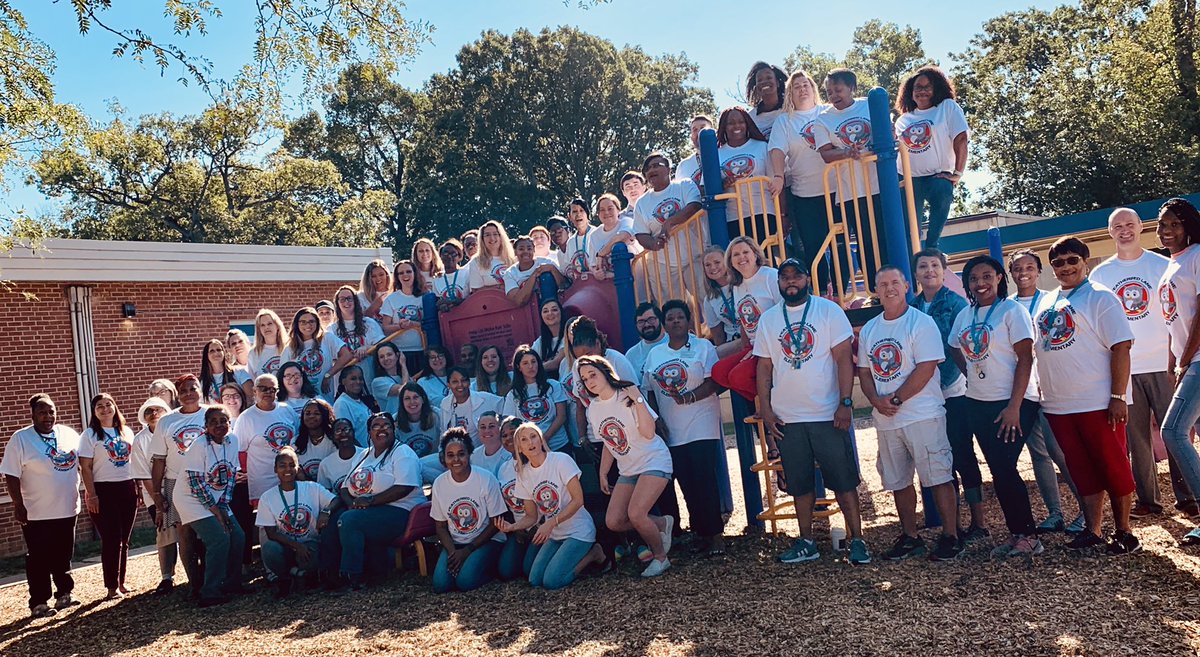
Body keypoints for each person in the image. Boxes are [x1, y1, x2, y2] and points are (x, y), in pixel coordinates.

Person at [753, 259, 869, 564]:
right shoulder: (769, 319)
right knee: (799, 483)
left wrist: (845, 402)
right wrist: (766, 408)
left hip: (826, 413)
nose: (791, 281)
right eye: (785, 277)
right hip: (787, 417)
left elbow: (843, 359)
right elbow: (764, 366)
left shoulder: (828, 311)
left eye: (797, 276)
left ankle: (858, 539)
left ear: (807, 278)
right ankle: (806, 541)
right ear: (778, 282)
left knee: (843, 480)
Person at [1033, 236, 1139, 553]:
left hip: (1096, 401)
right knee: (1081, 470)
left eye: (1072, 260)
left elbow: (1121, 346)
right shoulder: (1047, 302)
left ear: (1085, 261)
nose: (1065, 267)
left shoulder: (1100, 297)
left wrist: (1118, 396)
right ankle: (1093, 529)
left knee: (1113, 466)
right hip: (1058, 405)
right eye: (1058, 262)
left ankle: (1124, 532)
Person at [1093, 207, 1196, 519]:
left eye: (1130, 224)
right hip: (1126, 368)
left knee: (1176, 432)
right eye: (1117, 226)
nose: (1124, 230)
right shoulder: (1101, 275)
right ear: (1110, 232)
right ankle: (1148, 500)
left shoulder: (1164, 264)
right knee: (1136, 439)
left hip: (1165, 363)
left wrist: (1178, 360)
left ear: (1141, 227)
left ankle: (1188, 497)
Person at [858, 266, 962, 561]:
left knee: (938, 476)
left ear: (906, 286)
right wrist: (876, 401)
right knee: (898, 481)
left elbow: (926, 367)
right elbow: (864, 371)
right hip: (887, 419)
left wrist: (895, 399)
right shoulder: (870, 329)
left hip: (922, 414)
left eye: (895, 282)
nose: (889, 288)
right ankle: (910, 535)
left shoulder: (921, 322)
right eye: (882, 284)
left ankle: (951, 536)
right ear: (875, 290)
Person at [949, 256, 1043, 558]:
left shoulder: (1012, 311)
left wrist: (1014, 406)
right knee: (999, 470)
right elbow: (954, 346)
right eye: (973, 278)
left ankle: (1029, 535)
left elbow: (1025, 358)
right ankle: (1017, 534)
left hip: (1014, 402)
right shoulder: (965, 314)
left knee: (1004, 466)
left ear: (1000, 278)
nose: (980, 283)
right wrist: (971, 374)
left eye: (987, 276)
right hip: (978, 402)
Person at [1008, 249, 1086, 533]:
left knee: (1059, 451)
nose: (1023, 273)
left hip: (1051, 386)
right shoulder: (1006, 306)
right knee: (1038, 453)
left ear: (1039, 271)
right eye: (1017, 268)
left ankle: (1086, 510)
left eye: (1029, 267)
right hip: (1025, 391)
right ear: (1011, 273)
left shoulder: (1052, 301)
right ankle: (1055, 513)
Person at [912, 248, 986, 541]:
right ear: (916, 274)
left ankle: (979, 522)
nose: (929, 271)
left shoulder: (957, 304)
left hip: (954, 389)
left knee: (963, 454)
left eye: (934, 265)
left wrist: (951, 377)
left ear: (944, 271)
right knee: (939, 458)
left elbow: (961, 345)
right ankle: (952, 524)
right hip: (925, 393)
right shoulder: (912, 307)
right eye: (923, 266)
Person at [643, 299, 726, 555]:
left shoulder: (703, 347)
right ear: (664, 324)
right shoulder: (655, 354)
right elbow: (649, 390)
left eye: (680, 317)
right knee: (687, 484)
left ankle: (715, 535)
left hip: (702, 426)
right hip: (672, 431)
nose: (675, 321)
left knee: (705, 480)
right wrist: (656, 419)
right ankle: (700, 533)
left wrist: (690, 397)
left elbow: (715, 382)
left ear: (689, 320)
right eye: (670, 318)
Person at [578, 355, 675, 577]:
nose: (589, 381)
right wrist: (603, 473)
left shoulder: (627, 395)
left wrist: (638, 400)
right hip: (628, 469)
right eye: (584, 379)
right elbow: (608, 442)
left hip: (653, 460)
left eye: (593, 374)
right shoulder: (593, 409)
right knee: (614, 521)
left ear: (606, 372)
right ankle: (661, 524)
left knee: (637, 514)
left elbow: (649, 433)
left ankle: (661, 558)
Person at [494, 423, 605, 589]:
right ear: (519, 448)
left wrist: (551, 523)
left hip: (578, 531)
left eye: (533, 436)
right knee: (534, 580)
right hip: (555, 534)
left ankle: (593, 554)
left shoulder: (561, 460)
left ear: (541, 439)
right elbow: (531, 516)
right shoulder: (523, 474)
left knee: (552, 581)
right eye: (524, 440)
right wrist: (512, 527)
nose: (530, 442)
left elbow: (578, 501)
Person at [2, 394, 82, 617]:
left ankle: (64, 594)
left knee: (63, 554)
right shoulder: (21, 439)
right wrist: (18, 504)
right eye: (42, 412)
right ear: (33, 415)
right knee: (38, 558)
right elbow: (11, 474)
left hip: (67, 507)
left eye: (51, 411)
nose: (48, 416)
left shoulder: (68, 434)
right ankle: (39, 602)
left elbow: (84, 463)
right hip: (36, 512)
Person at [768, 69, 843, 292]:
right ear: (790, 93)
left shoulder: (827, 112)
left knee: (840, 244)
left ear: (813, 89)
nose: (802, 89)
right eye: (796, 86)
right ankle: (821, 292)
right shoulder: (785, 121)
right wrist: (778, 176)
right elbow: (777, 150)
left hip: (837, 189)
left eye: (806, 85)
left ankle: (841, 291)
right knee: (813, 247)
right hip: (805, 194)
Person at [815, 68, 888, 288]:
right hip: (851, 191)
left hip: (879, 184)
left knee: (887, 236)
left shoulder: (869, 105)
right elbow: (826, 154)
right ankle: (874, 288)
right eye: (829, 92)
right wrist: (847, 152)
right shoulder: (823, 119)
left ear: (852, 88)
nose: (833, 96)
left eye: (838, 90)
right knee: (865, 242)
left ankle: (899, 284)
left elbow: (886, 133)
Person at [336, 413, 425, 590]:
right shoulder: (364, 455)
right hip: (368, 511)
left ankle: (353, 576)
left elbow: (404, 487)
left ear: (394, 430)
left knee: (349, 520)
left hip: (400, 511)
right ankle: (329, 574)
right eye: (376, 426)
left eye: (387, 426)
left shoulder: (402, 452)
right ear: (369, 432)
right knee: (336, 519)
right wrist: (351, 504)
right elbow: (344, 487)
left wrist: (370, 501)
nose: (382, 429)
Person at [1157, 198, 1200, 544]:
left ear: (1188, 227)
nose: (1167, 230)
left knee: (1172, 431)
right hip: (1186, 360)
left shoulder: (1197, 255)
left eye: (1175, 224)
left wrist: (1185, 359)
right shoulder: (1172, 263)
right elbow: (1174, 320)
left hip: (1198, 360)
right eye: (1162, 225)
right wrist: (1172, 362)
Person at [173, 406, 244, 607]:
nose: (219, 425)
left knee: (238, 536)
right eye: (213, 422)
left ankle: (232, 583)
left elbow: (231, 475)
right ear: (206, 426)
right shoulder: (199, 445)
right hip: (191, 499)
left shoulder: (232, 441)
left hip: (217, 498)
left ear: (229, 423)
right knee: (219, 539)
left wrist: (223, 505)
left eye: (223, 421)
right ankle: (210, 591)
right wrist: (215, 510)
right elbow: (195, 481)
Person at [894, 66, 969, 249]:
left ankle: (932, 246)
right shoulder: (903, 120)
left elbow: (961, 138)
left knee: (943, 192)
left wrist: (957, 173)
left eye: (927, 87)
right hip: (909, 178)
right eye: (917, 87)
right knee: (909, 229)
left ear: (936, 89)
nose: (922, 91)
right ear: (910, 92)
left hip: (937, 174)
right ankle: (913, 258)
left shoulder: (947, 107)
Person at [149, 375, 207, 598]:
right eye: (183, 390)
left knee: (210, 531)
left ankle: (211, 578)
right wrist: (157, 492)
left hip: (207, 479)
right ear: (177, 395)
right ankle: (195, 583)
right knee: (185, 533)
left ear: (200, 390)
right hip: (176, 482)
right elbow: (159, 460)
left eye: (193, 388)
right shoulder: (167, 421)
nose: (189, 394)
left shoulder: (211, 413)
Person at [430, 428, 507, 593]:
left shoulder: (486, 479)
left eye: (461, 454)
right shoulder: (439, 484)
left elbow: (496, 522)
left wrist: (468, 550)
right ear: (444, 458)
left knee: (466, 582)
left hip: (486, 540)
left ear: (469, 454)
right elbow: (440, 526)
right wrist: (453, 553)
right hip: (456, 543)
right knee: (441, 585)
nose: (456, 460)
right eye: (450, 455)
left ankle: (489, 568)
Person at [78, 393, 138, 599]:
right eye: (99, 407)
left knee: (124, 539)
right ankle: (111, 586)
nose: (105, 409)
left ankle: (121, 582)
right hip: (103, 490)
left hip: (127, 487)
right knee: (111, 539)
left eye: (108, 404)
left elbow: (133, 461)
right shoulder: (89, 435)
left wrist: (138, 488)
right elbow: (85, 467)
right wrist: (92, 494)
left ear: (115, 407)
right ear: (94, 412)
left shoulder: (126, 431)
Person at [255, 446, 335, 598]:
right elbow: (271, 533)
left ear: (298, 468)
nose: (288, 469)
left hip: (310, 543)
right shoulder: (267, 497)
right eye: (282, 465)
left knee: (309, 558)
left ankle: (304, 576)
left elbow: (335, 500)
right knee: (269, 549)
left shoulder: (311, 488)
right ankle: (286, 578)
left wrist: (326, 512)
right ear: (275, 469)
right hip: (285, 546)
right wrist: (297, 546)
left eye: (292, 465)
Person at [711, 236, 780, 404]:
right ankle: (765, 398)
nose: (741, 257)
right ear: (730, 261)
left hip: (772, 344)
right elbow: (743, 322)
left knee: (738, 376)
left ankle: (770, 401)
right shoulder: (737, 285)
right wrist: (746, 348)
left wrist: (762, 347)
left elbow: (784, 313)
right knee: (718, 372)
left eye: (745, 252)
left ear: (755, 254)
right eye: (736, 255)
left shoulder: (771, 276)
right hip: (753, 344)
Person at [632, 152, 705, 302]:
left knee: (707, 300)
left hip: (695, 256)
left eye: (656, 166)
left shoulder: (684, 185)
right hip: (663, 263)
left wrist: (670, 222)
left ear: (668, 169)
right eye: (647, 169)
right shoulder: (641, 202)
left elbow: (695, 205)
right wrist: (653, 244)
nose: (651, 170)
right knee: (672, 308)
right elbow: (640, 234)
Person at [561, 316, 639, 448]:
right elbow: (580, 406)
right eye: (580, 358)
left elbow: (636, 397)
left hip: (625, 434)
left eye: (589, 354)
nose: (585, 361)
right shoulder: (577, 367)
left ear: (597, 343)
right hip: (596, 437)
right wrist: (582, 437)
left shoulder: (616, 359)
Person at [130, 396, 177, 594]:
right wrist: (159, 503)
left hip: (178, 489)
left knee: (187, 532)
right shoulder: (140, 440)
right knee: (165, 534)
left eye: (158, 409)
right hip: (154, 494)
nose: (154, 413)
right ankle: (167, 577)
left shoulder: (174, 431)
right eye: (149, 411)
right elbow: (143, 474)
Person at [232, 374, 300, 503]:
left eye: (272, 389)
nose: (268, 392)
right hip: (262, 482)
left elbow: (298, 436)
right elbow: (239, 451)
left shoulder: (287, 410)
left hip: (289, 477)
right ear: (254, 391)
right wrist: (245, 473)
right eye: (263, 388)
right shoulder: (246, 418)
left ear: (277, 391)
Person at [717, 106, 773, 239]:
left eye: (741, 122)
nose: (736, 126)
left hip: (763, 212)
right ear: (724, 127)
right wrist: (723, 185)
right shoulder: (716, 154)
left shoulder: (762, 146)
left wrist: (783, 215)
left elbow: (776, 181)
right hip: (733, 217)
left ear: (747, 124)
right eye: (731, 123)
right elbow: (706, 189)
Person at [505, 346, 571, 451]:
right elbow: (511, 424)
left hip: (559, 444)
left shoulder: (553, 385)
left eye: (533, 362)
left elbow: (561, 416)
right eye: (525, 363)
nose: (531, 366)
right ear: (518, 367)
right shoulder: (513, 394)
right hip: (531, 448)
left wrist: (545, 438)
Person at [495, 416, 536, 580]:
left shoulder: (536, 462)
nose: (508, 438)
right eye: (504, 435)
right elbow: (506, 504)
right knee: (506, 571)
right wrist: (516, 528)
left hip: (540, 526)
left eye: (513, 433)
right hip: (518, 528)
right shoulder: (503, 469)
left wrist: (536, 527)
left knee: (529, 570)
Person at [283, 306, 353, 402]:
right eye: (303, 322)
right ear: (297, 324)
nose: (308, 325)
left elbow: (347, 355)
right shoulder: (290, 348)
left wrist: (328, 375)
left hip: (325, 398)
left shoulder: (326, 338)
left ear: (317, 322)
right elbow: (283, 374)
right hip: (300, 400)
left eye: (311, 321)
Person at [380, 258, 427, 375]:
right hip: (400, 351)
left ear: (415, 274)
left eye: (408, 271)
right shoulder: (391, 299)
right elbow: (385, 327)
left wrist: (414, 324)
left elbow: (430, 323)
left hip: (423, 348)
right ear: (397, 277)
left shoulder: (426, 296)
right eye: (401, 273)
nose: (405, 275)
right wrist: (400, 326)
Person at [333, 284, 386, 383]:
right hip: (344, 382)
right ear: (337, 303)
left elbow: (383, 346)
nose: (346, 302)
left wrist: (367, 348)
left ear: (355, 301)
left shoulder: (369, 323)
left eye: (349, 298)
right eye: (342, 299)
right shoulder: (332, 329)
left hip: (368, 377)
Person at [441, 367, 505, 443]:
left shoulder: (485, 398)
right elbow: (443, 433)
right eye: (455, 382)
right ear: (448, 385)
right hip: (455, 449)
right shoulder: (445, 403)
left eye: (463, 380)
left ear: (469, 382)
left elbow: (504, 406)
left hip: (481, 448)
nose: (460, 385)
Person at [701, 245, 744, 359]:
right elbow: (718, 336)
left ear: (726, 262)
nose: (713, 267)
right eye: (708, 265)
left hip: (751, 338)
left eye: (717, 262)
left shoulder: (742, 283)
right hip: (731, 344)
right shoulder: (709, 299)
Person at [588, 193, 641, 280]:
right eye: (602, 210)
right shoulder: (594, 235)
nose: (606, 212)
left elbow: (623, 236)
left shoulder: (627, 222)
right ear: (598, 214)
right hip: (609, 284)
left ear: (618, 210)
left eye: (610, 208)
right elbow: (592, 264)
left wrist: (601, 254)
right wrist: (596, 273)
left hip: (635, 280)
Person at [505, 235, 565, 306]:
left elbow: (565, 285)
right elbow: (519, 301)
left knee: (546, 276)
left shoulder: (547, 262)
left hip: (554, 306)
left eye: (529, 248)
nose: (526, 251)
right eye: (521, 249)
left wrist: (552, 269)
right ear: (515, 252)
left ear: (534, 250)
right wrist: (534, 275)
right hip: (528, 310)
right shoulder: (510, 273)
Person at [333, 365, 379, 448]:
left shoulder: (363, 401)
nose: (358, 382)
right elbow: (346, 435)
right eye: (353, 379)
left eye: (360, 379)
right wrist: (362, 453)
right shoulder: (342, 404)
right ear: (343, 381)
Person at [395, 382, 444, 458]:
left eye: (415, 397)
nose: (412, 402)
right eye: (407, 398)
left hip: (434, 460)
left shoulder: (437, 415)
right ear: (402, 402)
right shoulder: (395, 420)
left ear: (423, 399)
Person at [317, 418, 364, 493]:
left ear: (353, 433)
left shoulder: (366, 455)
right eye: (338, 431)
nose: (343, 434)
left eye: (346, 429)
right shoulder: (325, 464)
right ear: (332, 436)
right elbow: (324, 494)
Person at [295, 398, 337, 481]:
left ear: (325, 416)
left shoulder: (335, 439)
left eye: (317, 413)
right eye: (307, 413)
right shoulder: (295, 442)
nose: (311, 416)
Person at [469, 220, 518, 292]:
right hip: (489, 299)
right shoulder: (476, 262)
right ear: (482, 239)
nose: (492, 238)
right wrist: (498, 287)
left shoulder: (513, 259)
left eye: (495, 234)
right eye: (487, 235)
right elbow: (476, 290)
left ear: (501, 237)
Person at [625, 302, 669, 378]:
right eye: (641, 322)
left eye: (651, 319)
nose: (647, 325)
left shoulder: (676, 343)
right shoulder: (631, 355)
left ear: (660, 319)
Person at [199, 339, 249, 404]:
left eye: (219, 350)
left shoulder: (240, 372)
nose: (216, 353)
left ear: (224, 353)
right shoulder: (202, 382)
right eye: (212, 351)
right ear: (206, 356)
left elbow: (251, 397)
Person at [746, 61, 787, 138]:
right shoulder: (750, 118)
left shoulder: (791, 108)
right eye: (759, 80)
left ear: (777, 83)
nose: (764, 82)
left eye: (769, 78)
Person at [561, 198, 598, 280]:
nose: (578, 214)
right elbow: (568, 267)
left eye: (581, 210)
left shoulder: (596, 233)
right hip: (580, 284)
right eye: (574, 211)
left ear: (587, 214)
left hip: (598, 281)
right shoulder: (570, 242)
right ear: (569, 216)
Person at [370, 341, 410, 416]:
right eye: (381, 357)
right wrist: (403, 365)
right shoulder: (377, 382)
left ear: (397, 355)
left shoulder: (405, 377)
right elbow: (405, 390)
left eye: (389, 354)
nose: (386, 358)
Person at [248, 309, 289, 379]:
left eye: (269, 324)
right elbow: (253, 379)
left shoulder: (289, 348)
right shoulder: (254, 353)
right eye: (262, 325)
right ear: (259, 330)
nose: (266, 327)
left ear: (277, 326)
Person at [532, 298, 570, 374]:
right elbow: (530, 359)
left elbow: (556, 363)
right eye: (545, 311)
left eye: (554, 310)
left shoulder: (569, 336)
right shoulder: (539, 342)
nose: (550, 313)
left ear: (561, 312)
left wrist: (533, 369)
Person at [431, 239, 469, 310]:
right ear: (440, 256)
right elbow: (437, 303)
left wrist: (460, 302)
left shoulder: (467, 273)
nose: (449, 256)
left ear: (459, 257)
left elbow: (474, 297)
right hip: (448, 316)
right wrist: (441, 305)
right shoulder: (436, 279)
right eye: (445, 253)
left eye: (453, 254)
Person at [675, 115, 714, 185]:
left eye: (703, 128)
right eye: (695, 130)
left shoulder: (722, 156)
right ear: (691, 137)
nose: (699, 132)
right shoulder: (683, 166)